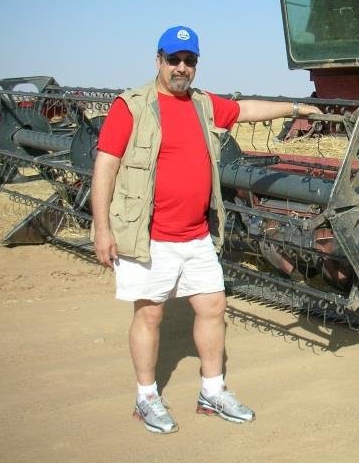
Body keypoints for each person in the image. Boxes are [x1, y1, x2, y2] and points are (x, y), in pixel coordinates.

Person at [91, 25, 320, 434]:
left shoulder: (203, 104)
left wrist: (296, 109)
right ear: (158, 60)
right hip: (148, 236)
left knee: (213, 308)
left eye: (189, 60)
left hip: (196, 234)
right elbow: (105, 167)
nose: (181, 67)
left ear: (196, 64)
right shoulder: (132, 106)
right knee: (149, 314)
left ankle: (212, 392)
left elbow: (245, 110)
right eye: (174, 59)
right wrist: (102, 229)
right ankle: (146, 397)